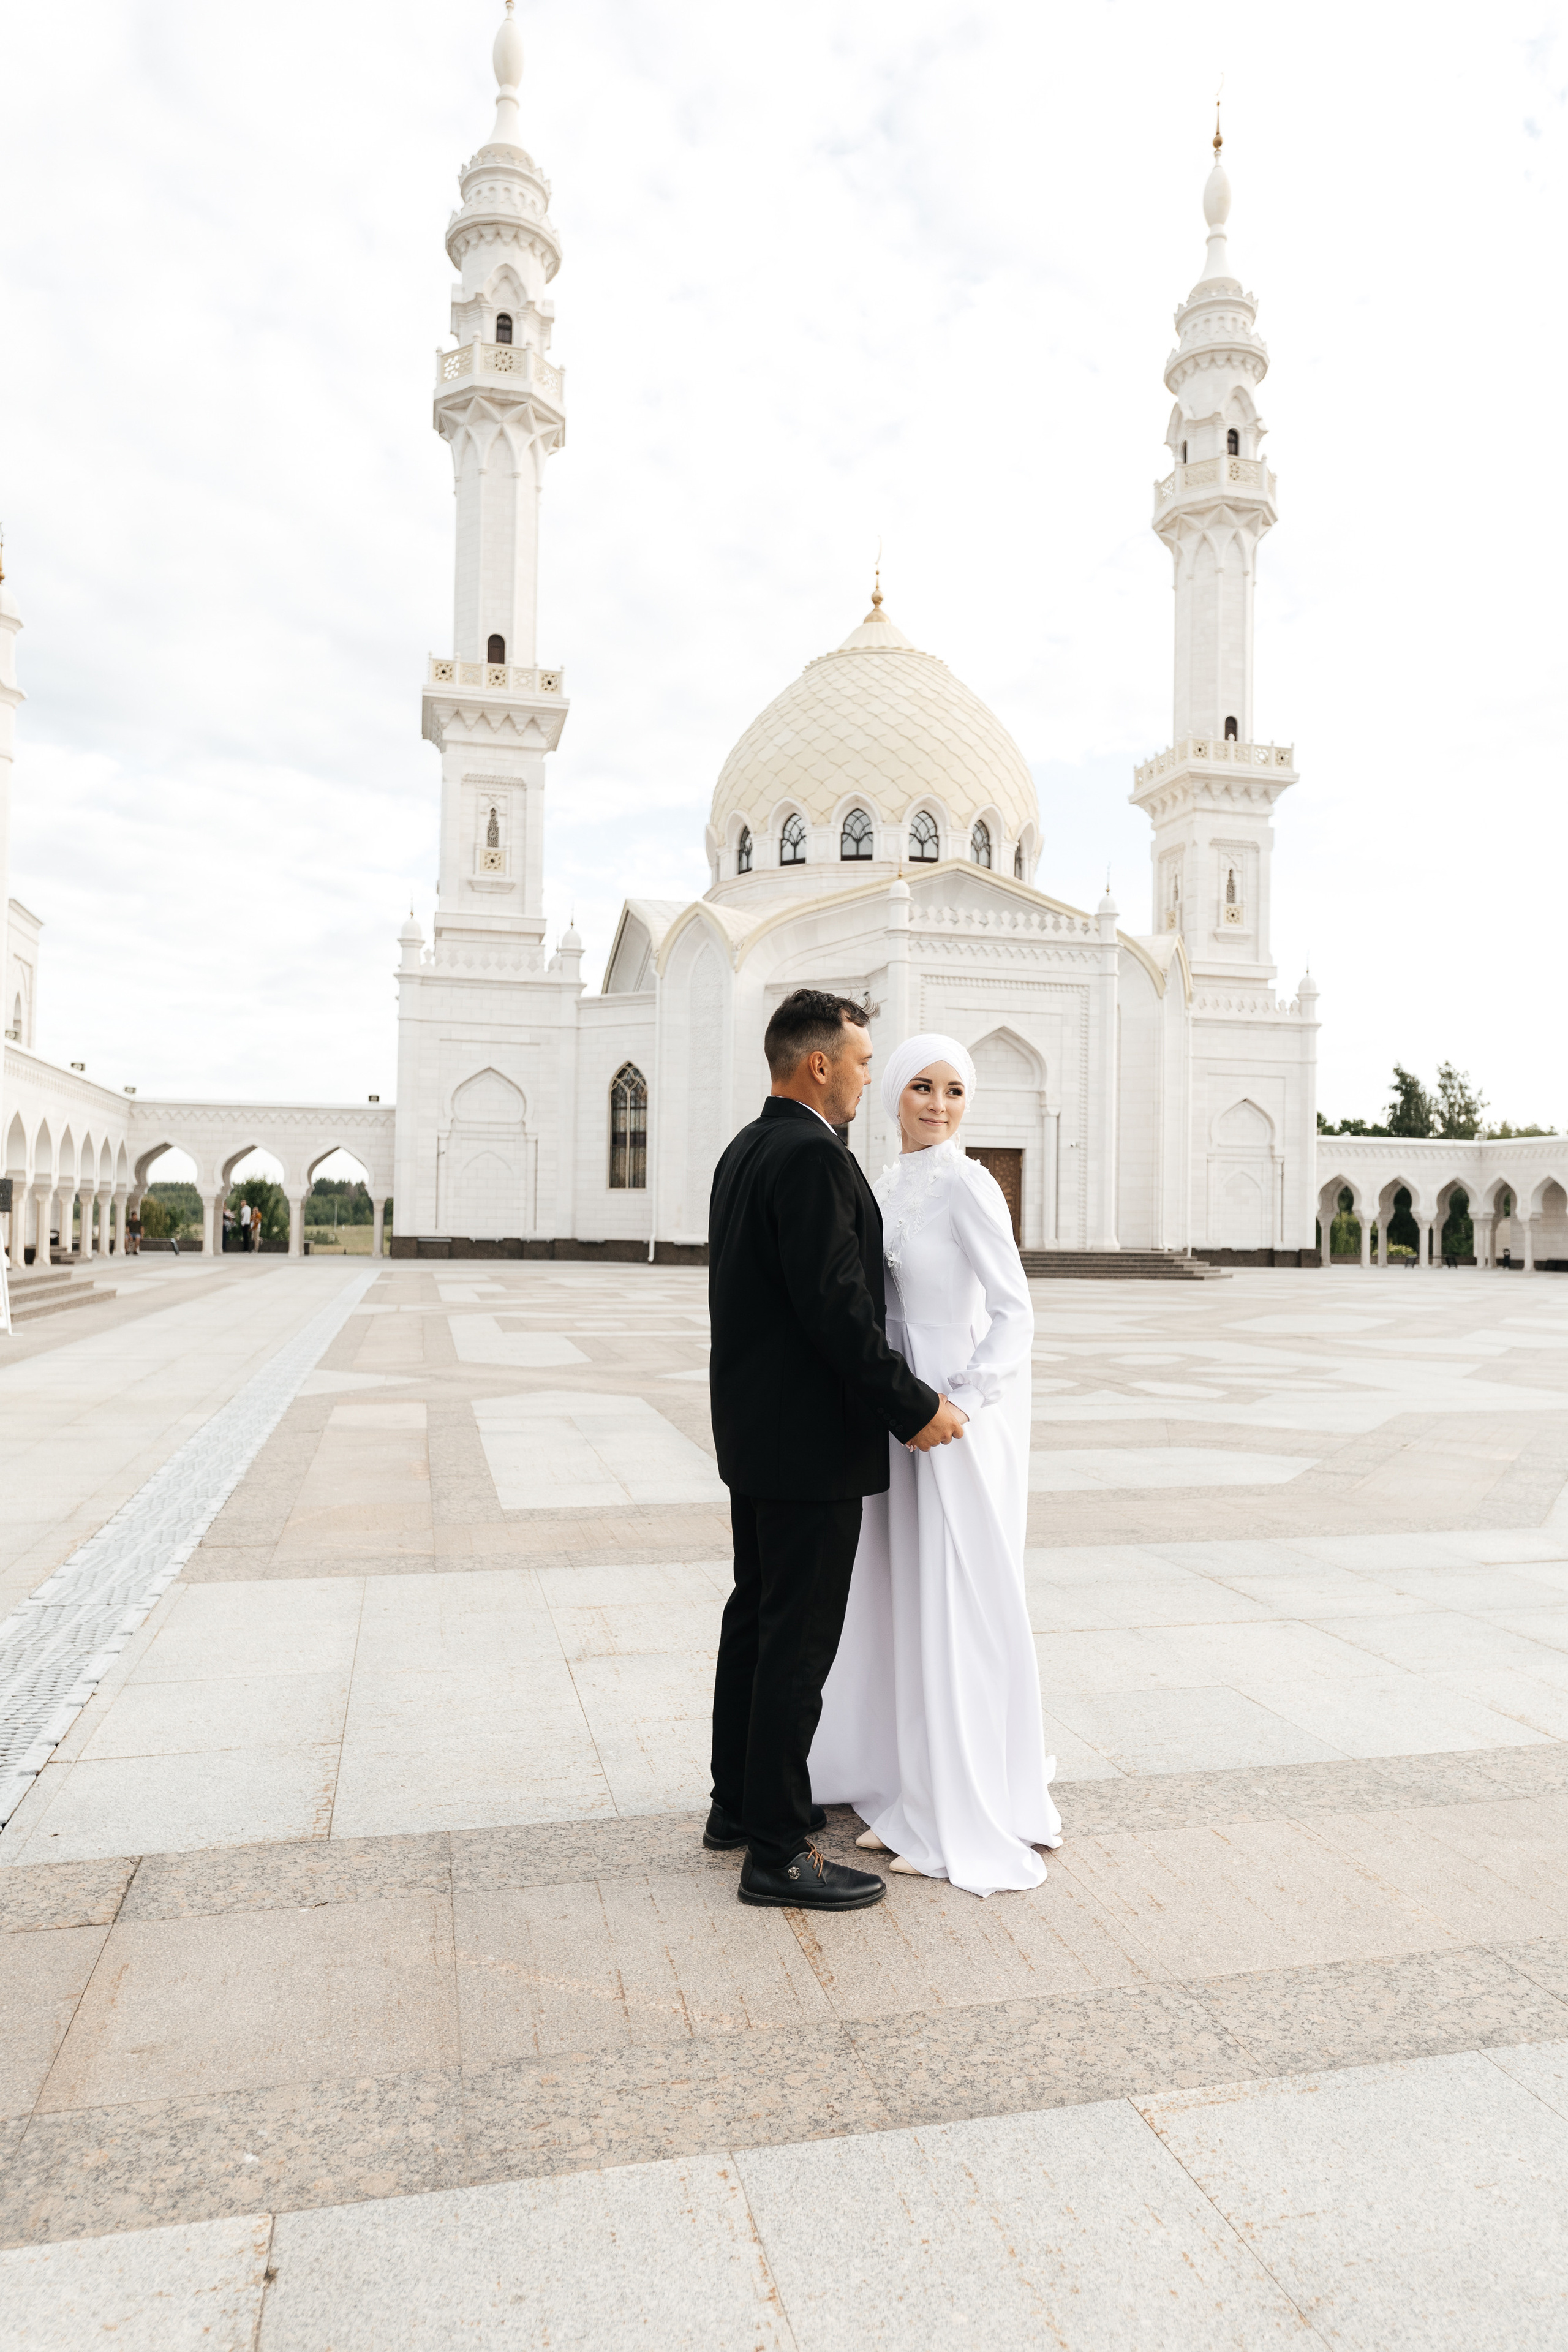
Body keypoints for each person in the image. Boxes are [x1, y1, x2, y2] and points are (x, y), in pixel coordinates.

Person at [706, 989, 970, 1912]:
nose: (868, 1079)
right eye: (861, 1063)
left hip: (758, 1435)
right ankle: (778, 1852)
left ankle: (737, 1806)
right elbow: (836, 1309)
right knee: (797, 1639)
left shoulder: (748, 1148)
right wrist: (913, 1406)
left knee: (757, 1619)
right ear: (819, 1064)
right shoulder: (813, 1156)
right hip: (810, 1443)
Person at [811, 1033, 1061, 1897]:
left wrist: (967, 1397)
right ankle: (914, 1791)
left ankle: (965, 1804)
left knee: (958, 1601)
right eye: (923, 1086)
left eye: (955, 1091)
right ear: (894, 1095)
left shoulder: (969, 1184)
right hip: (897, 1411)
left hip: (952, 1418)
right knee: (907, 1600)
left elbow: (1015, 1311)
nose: (939, 1105)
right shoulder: (887, 1184)